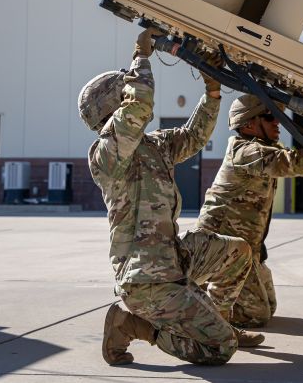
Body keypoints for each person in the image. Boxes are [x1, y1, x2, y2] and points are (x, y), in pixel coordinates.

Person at [78, 27, 264, 367]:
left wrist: (212, 90)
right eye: (125, 93)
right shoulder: (106, 155)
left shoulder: (154, 146)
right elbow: (138, 107)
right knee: (221, 351)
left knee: (237, 252)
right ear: (114, 105)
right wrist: (141, 58)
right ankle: (134, 324)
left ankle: (219, 323)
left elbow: (193, 136)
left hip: (173, 257)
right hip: (147, 281)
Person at [195, 94, 303, 328]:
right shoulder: (245, 152)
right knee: (256, 315)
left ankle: (208, 292)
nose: (277, 123)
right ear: (248, 125)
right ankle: (193, 308)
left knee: (269, 308)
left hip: (245, 250)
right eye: (270, 117)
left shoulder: (264, 150)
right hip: (221, 251)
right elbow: (293, 162)